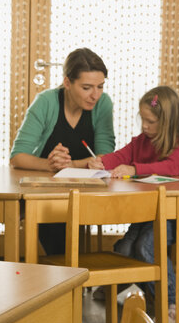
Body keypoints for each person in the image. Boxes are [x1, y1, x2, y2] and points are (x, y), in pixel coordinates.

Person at [92, 85, 179, 323]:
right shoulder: (143, 140)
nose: (145, 126)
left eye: (151, 121)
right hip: (147, 211)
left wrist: (135, 170)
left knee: (145, 248)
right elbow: (121, 155)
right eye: (143, 120)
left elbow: (172, 167)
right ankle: (116, 287)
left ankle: (172, 301)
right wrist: (100, 161)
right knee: (124, 250)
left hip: (175, 213)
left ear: (168, 122)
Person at [10, 48, 115, 255]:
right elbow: (17, 156)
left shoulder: (103, 104)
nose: (95, 95)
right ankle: (70, 279)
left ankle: (70, 279)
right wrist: (49, 164)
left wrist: (72, 165)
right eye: (87, 87)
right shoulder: (46, 102)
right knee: (57, 230)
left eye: (100, 86)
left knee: (66, 230)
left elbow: (106, 157)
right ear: (67, 82)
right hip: (46, 193)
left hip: (86, 193)